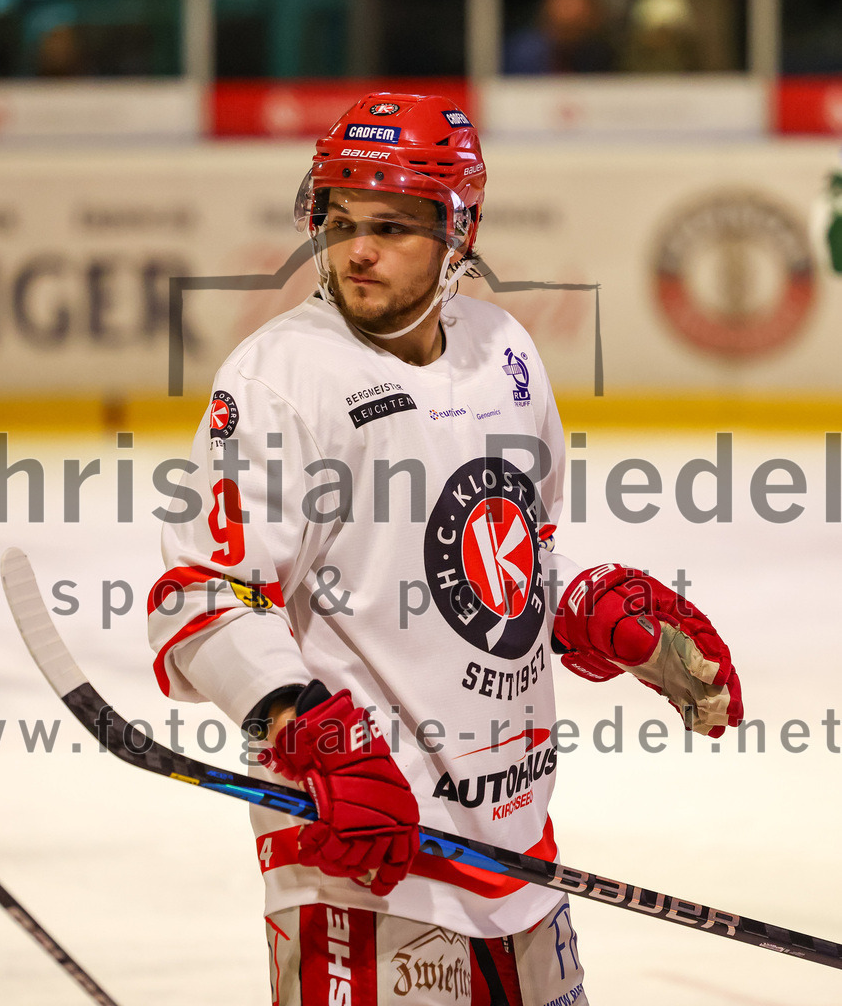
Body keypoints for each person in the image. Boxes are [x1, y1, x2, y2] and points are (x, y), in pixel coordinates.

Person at [148, 92, 743, 1004]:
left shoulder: (503, 351)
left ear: (460, 230)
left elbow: (508, 559)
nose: (357, 250)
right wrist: (311, 731)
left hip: (513, 845)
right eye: (339, 220)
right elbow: (203, 599)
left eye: (391, 225)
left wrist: (582, 616)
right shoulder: (280, 378)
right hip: (364, 856)